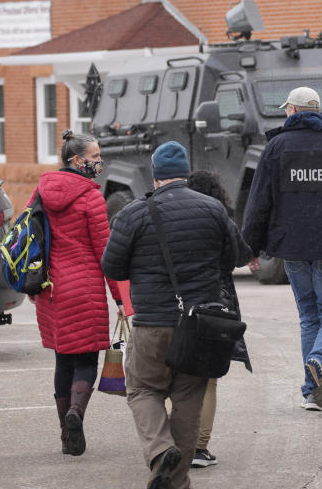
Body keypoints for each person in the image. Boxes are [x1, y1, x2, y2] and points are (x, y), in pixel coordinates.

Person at [102, 141, 240, 489]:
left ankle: (161, 451)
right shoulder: (213, 209)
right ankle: (177, 481)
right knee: (188, 398)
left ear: (155, 175)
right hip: (199, 327)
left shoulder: (133, 213)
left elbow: (112, 265)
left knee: (143, 389)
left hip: (152, 323)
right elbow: (233, 258)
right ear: (186, 172)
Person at [241, 86, 322, 412]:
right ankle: (319, 363)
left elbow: (258, 202)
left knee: (309, 317)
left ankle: (310, 391)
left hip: (293, 247)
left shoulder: (276, 147)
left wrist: (250, 246)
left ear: (293, 111)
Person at [28, 130, 126, 456]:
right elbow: (105, 253)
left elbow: (30, 236)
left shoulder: (40, 191)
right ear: (77, 160)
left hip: (51, 291)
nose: (99, 162)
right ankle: (76, 413)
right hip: (84, 291)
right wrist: (120, 298)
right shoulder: (90, 197)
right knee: (86, 361)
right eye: (95, 157)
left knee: (62, 360)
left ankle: (65, 434)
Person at [184, 170, 253, 469]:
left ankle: (177, 444)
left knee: (178, 376)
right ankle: (199, 448)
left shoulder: (175, 216)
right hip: (215, 302)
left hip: (179, 302)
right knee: (208, 380)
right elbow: (241, 255)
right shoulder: (220, 216)